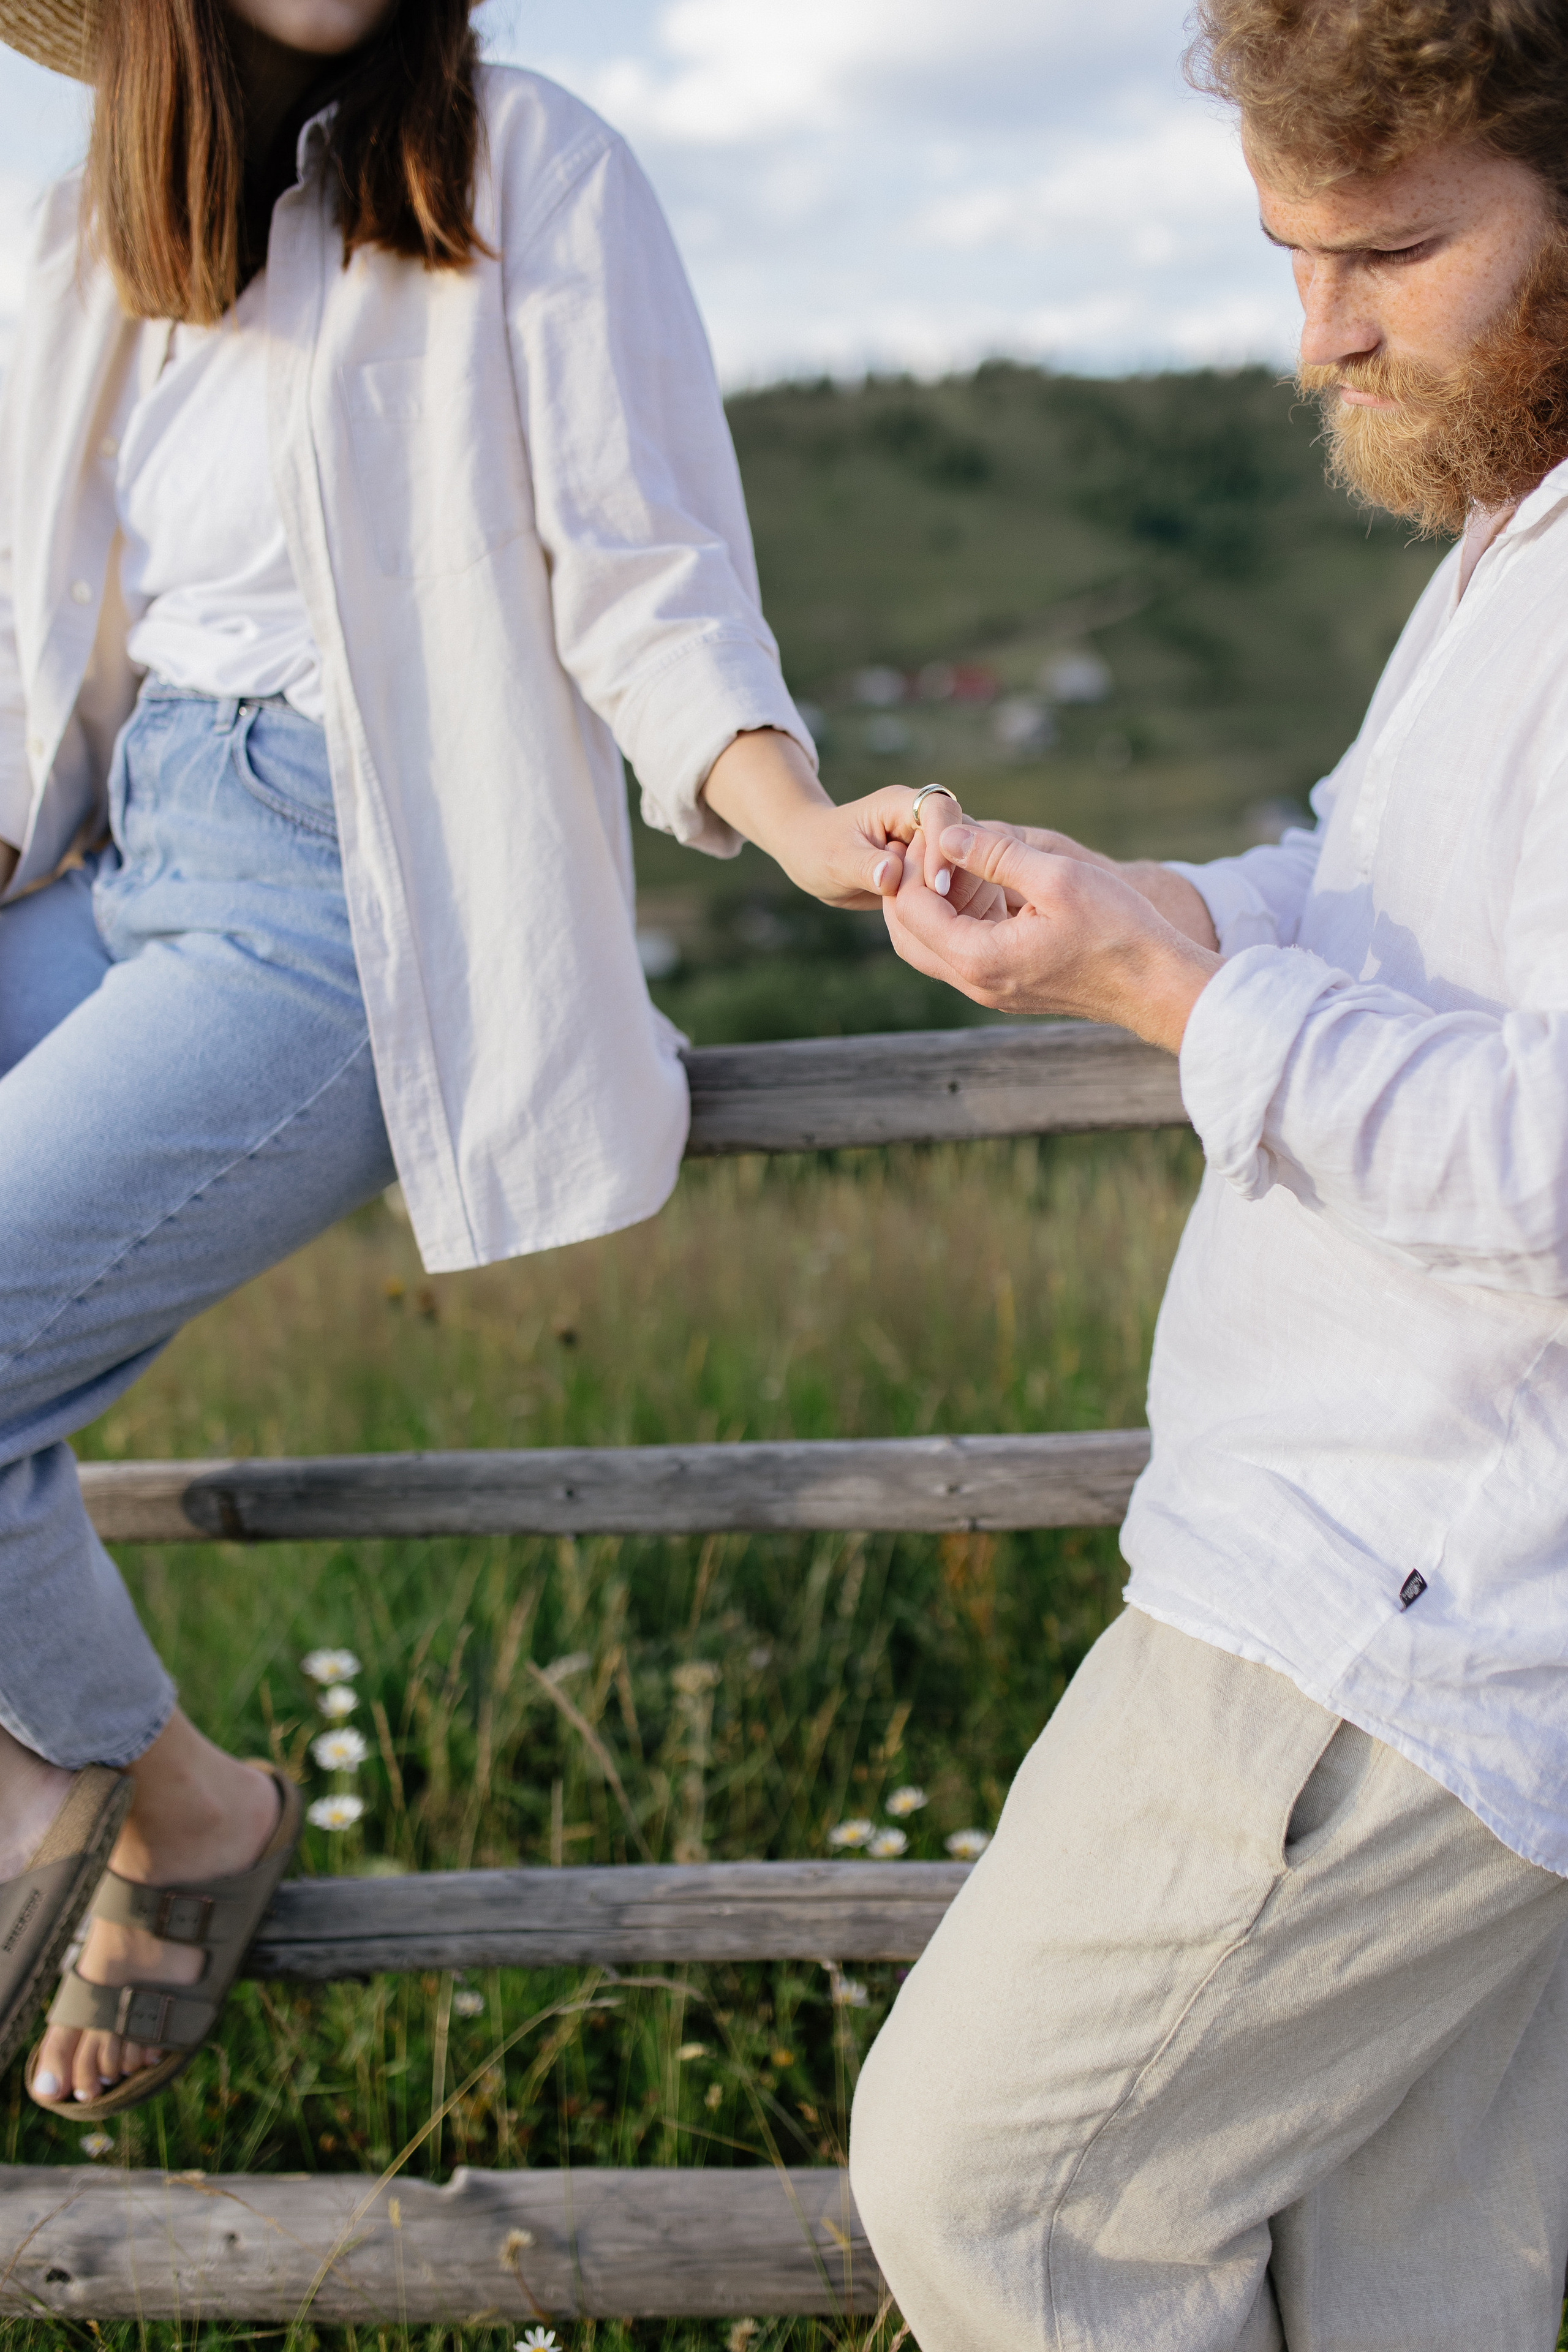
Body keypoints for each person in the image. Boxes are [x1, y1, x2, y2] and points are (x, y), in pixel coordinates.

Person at [0, 0, 941, 2119]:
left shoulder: (528, 162)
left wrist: (793, 814)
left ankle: (98, 1811)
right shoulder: (85, 236)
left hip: (355, 900)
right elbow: (23, 617)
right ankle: (165, 1793)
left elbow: (649, 572)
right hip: (123, 845)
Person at [848, 4, 1568, 2345]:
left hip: (1416, 1596)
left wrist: (1174, 1005)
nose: (1318, 333)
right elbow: (1389, 908)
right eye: (1288, 256)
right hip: (1410, 1573)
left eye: (1392, 253)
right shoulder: (1517, 535)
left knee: (991, 2194)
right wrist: (1143, 905)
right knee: (1411, 2292)